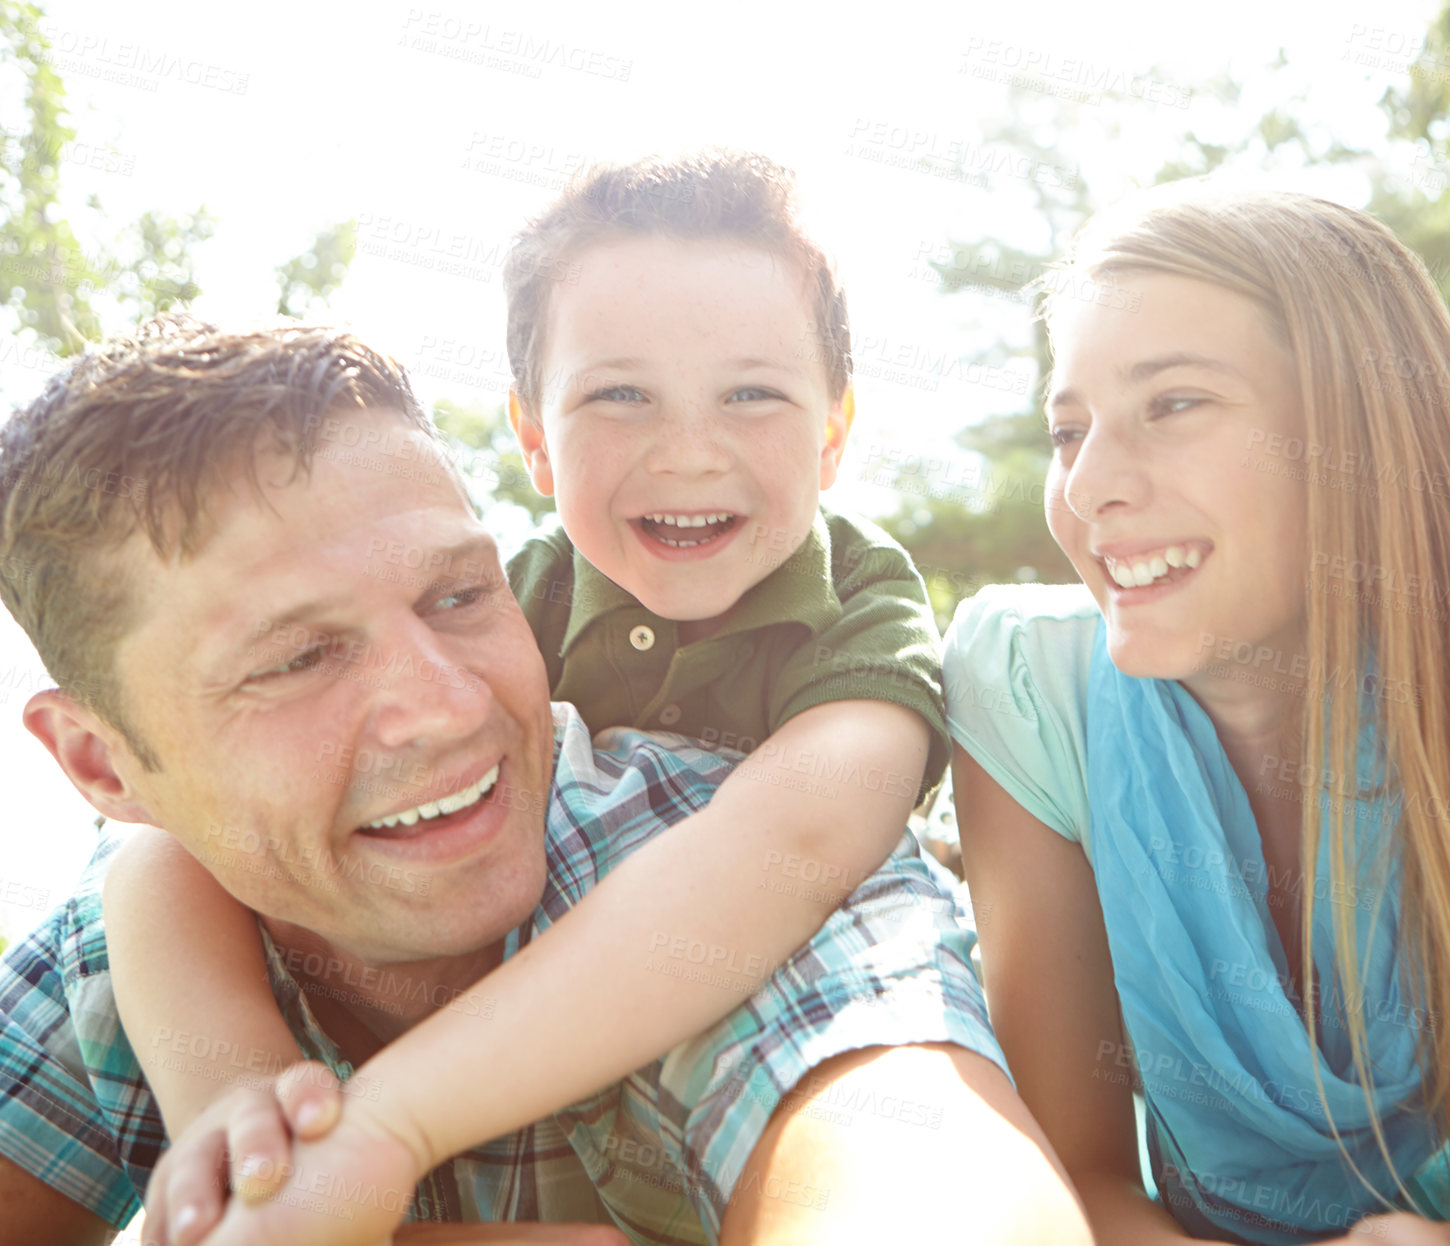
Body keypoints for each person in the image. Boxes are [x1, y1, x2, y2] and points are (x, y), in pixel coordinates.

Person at [0, 319, 1088, 1244]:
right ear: (103, 762)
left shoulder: (728, 881)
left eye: (458, 596)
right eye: (297, 659)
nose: (450, 706)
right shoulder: (132, 950)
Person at [96, 151, 969, 1241]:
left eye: (752, 393)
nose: (689, 450)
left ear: (835, 432)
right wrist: (246, 1108)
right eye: (619, 395)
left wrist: (390, 1123)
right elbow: (151, 852)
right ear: (532, 439)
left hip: (796, 1025)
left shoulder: (863, 598)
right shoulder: (498, 610)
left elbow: (793, 837)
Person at [942, 182, 1450, 1245]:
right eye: (1068, 430)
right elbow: (1075, 1183)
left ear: (1360, 432)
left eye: (1172, 404)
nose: (1091, 485)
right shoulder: (1035, 690)